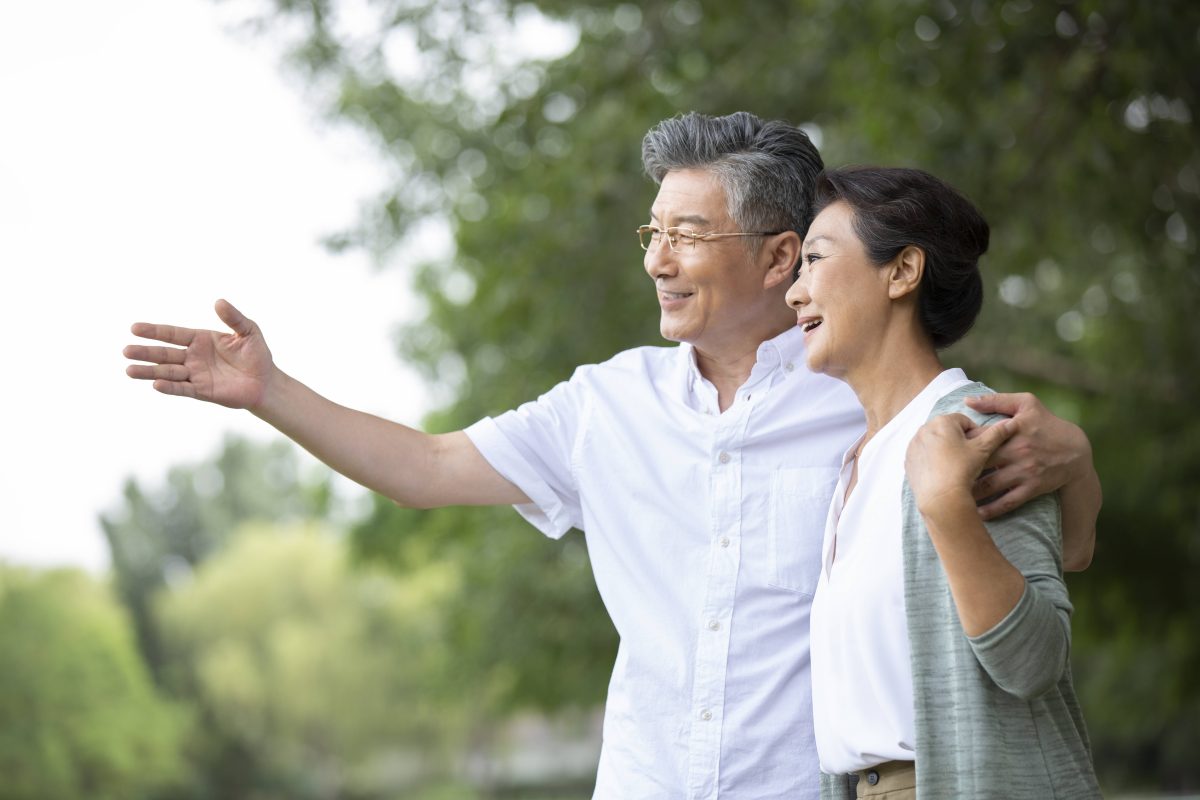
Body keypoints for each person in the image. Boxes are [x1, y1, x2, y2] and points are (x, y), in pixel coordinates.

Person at [123, 112, 1100, 800]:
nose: (656, 260)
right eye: (652, 232)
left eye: (687, 234)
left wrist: (1076, 460)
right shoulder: (606, 403)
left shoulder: (870, 400)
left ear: (779, 256)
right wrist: (273, 390)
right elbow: (425, 467)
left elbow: (1029, 560)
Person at [788, 166, 1101, 799]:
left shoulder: (972, 431)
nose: (795, 293)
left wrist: (944, 503)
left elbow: (1034, 661)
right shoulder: (858, 463)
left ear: (902, 271)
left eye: (814, 260)